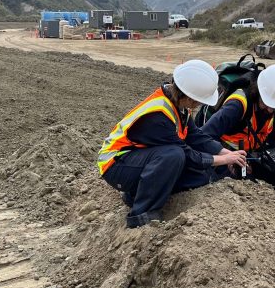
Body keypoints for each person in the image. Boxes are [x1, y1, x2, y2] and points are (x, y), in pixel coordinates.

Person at [96, 60, 247, 228]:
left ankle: (134, 195)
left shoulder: (178, 104)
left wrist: (224, 152)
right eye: (199, 100)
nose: (200, 105)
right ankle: (142, 216)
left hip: (136, 159)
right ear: (190, 97)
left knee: (199, 175)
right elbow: (188, 155)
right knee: (174, 156)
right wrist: (224, 160)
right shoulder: (158, 115)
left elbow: (195, 135)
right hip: (116, 165)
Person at [201, 64, 275, 203]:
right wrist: (226, 155)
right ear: (258, 91)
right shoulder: (237, 105)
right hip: (226, 154)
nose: (270, 110)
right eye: (265, 103)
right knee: (248, 189)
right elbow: (204, 135)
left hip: (255, 154)